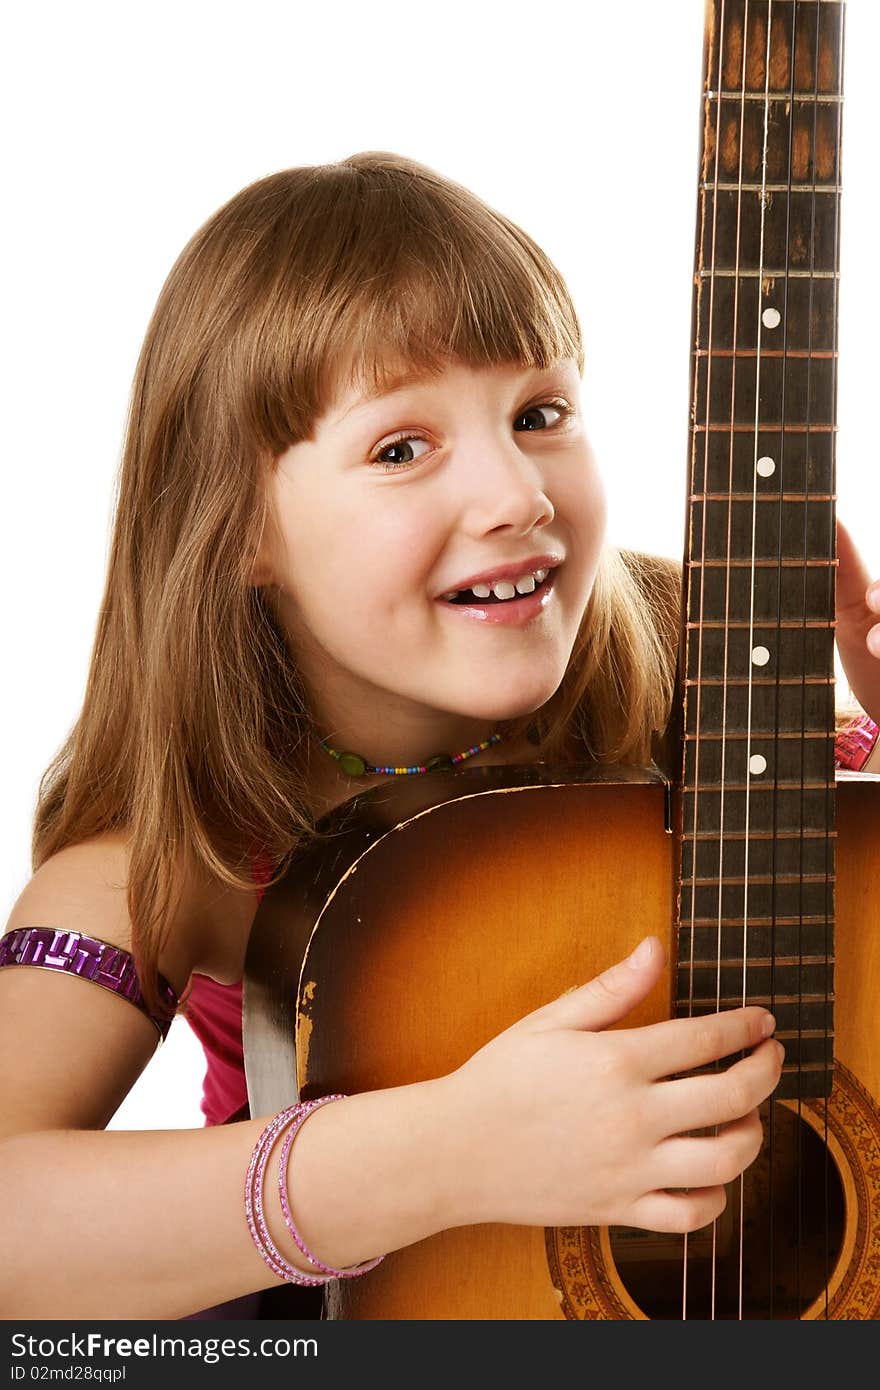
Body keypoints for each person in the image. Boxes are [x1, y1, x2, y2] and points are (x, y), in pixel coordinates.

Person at [2, 151, 879, 1322]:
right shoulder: (173, 855)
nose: (518, 491)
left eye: (540, 412)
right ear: (237, 529)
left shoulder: (724, 682)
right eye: (401, 448)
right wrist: (445, 1152)